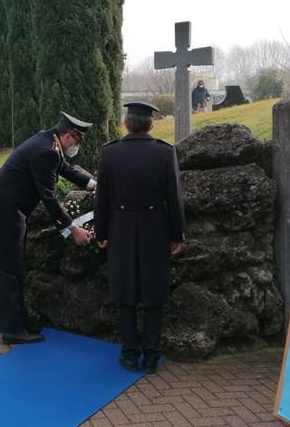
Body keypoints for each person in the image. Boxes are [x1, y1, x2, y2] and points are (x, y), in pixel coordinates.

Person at [0, 111, 96, 344]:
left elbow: (65, 167)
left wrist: (93, 184)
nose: (76, 146)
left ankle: (18, 321)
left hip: (8, 206)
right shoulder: (46, 151)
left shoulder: (48, 141)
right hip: (6, 211)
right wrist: (72, 229)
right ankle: (12, 331)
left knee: (14, 266)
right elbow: (49, 197)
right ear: (69, 136)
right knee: (8, 269)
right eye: (77, 141)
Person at [94, 100, 185, 374]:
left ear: (126, 123)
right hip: (155, 228)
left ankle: (131, 353)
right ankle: (152, 356)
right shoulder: (164, 152)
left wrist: (101, 232)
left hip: (120, 228)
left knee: (125, 293)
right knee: (154, 292)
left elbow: (102, 199)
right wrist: (176, 234)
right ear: (151, 124)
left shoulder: (109, 153)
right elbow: (175, 199)